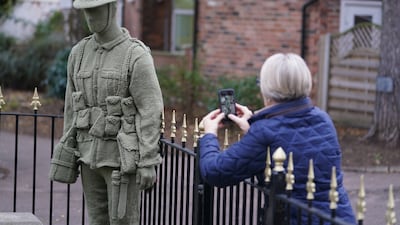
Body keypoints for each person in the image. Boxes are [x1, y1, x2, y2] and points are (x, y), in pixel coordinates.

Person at [199, 53, 356, 224]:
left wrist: (209, 134)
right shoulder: (322, 118)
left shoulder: (264, 132)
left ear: (266, 89)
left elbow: (214, 172)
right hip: (339, 218)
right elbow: (290, 143)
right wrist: (252, 126)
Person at [49, 1, 163, 225]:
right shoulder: (78, 53)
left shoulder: (135, 55)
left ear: (112, 9)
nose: (89, 17)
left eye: (95, 10)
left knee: (122, 221)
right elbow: (72, 107)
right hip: (87, 154)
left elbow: (151, 109)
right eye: (86, 12)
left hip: (121, 160)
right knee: (96, 220)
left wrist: (148, 160)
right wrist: (68, 148)